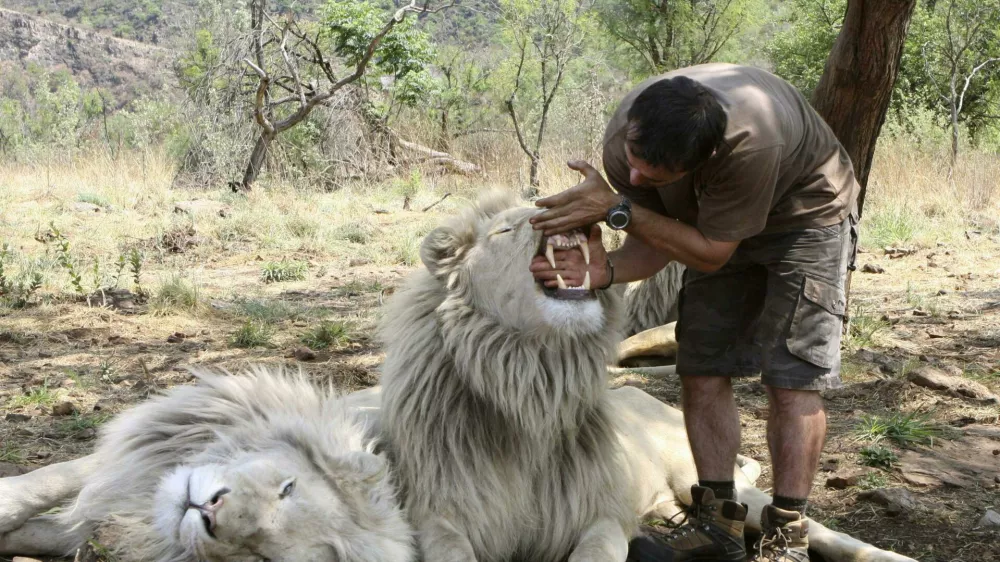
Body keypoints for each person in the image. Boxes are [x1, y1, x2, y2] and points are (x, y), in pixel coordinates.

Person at [529, 63, 859, 562]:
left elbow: (710, 253)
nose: (634, 176)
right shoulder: (627, 136)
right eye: (633, 162)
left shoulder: (751, 144)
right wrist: (601, 271)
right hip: (713, 228)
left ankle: (786, 535)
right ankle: (717, 521)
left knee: (791, 378)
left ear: (702, 163)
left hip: (806, 218)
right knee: (702, 365)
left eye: (654, 177)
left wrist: (618, 208)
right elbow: (654, 244)